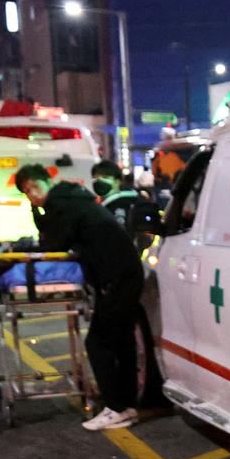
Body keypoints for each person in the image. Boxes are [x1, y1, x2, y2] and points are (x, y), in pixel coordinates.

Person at [13, 164, 147, 431]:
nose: (33, 195)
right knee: (121, 341)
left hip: (117, 275)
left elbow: (53, 244)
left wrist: (26, 241)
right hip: (125, 271)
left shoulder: (63, 204)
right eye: (27, 193)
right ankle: (126, 406)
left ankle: (115, 408)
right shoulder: (72, 197)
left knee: (98, 342)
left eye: (34, 187)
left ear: (47, 181)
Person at [90, 159, 161, 246]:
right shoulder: (101, 205)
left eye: (105, 177)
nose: (99, 181)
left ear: (117, 181)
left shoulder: (123, 204)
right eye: (96, 178)